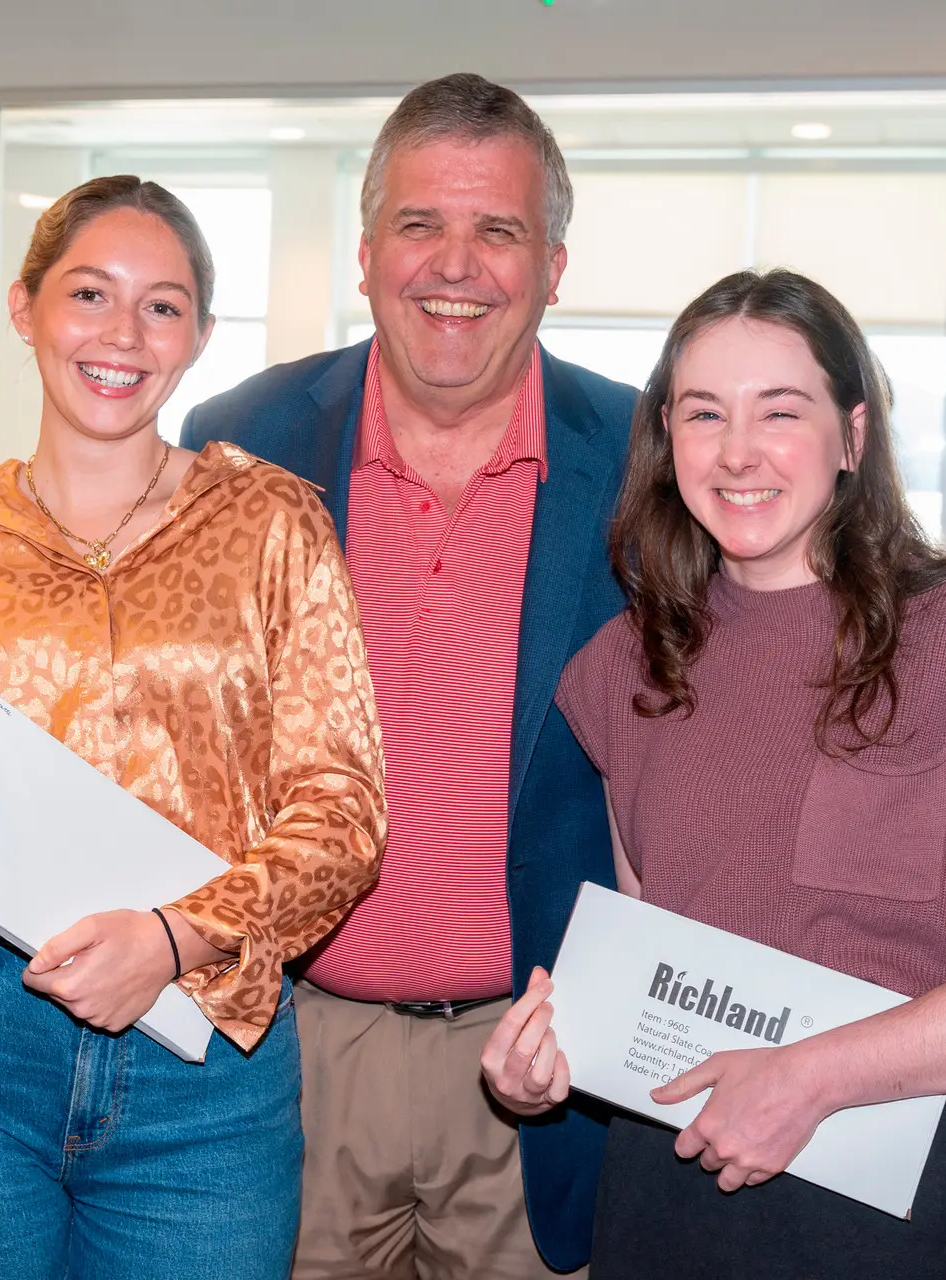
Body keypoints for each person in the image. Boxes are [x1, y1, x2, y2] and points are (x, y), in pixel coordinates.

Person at [482, 269, 946, 1279]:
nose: (737, 451)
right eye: (703, 412)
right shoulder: (623, 665)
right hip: (667, 1181)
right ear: (665, 440)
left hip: (890, 1190)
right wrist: (549, 1063)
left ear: (851, 435)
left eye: (779, 411)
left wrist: (812, 1076)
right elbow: (662, 957)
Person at [0, 174, 386, 1280]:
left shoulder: (273, 524)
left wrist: (175, 937)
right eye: (88, 293)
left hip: (200, 1057)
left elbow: (342, 811)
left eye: (162, 306)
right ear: (23, 308)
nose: (123, 332)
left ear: (199, 336)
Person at [180, 72, 635, 1277]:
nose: (455, 264)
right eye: (420, 223)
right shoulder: (239, 439)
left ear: (552, 267)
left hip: (542, 1069)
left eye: (499, 230)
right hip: (290, 1054)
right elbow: (155, 697)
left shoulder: (644, 459)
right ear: (367, 250)